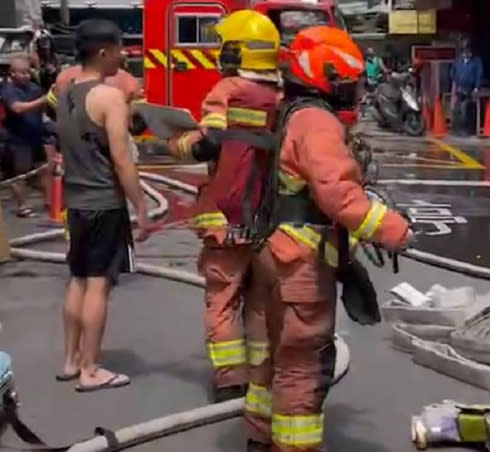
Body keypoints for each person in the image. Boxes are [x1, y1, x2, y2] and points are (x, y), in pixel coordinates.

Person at [245, 26, 413, 451]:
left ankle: (260, 438)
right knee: (303, 366)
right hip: (301, 263)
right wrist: (395, 230)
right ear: (325, 76)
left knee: (274, 359)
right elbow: (338, 195)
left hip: (272, 251)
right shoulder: (317, 121)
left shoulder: (288, 111)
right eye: (345, 81)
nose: (351, 91)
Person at [167, 9, 281, 407]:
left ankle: (231, 380)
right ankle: (261, 374)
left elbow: (207, 141)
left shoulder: (228, 89)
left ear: (235, 51)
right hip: (268, 219)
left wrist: (176, 141)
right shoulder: (283, 97)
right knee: (262, 301)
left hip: (224, 215)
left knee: (223, 297)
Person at [55, 18, 152, 392]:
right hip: (103, 203)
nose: (122, 56)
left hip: (76, 202)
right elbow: (122, 160)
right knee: (98, 284)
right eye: (118, 49)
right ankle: (91, 369)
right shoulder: (109, 97)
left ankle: (70, 360)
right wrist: (140, 207)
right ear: (102, 51)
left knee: (77, 279)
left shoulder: (64, 90)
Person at [0, 55, 52, 217]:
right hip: (18, 139)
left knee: (43, 169)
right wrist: (42, 100)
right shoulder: (8, 91)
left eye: (28, 72)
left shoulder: (34, 88)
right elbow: (17, 108)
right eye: (22, 73)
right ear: (12, 74)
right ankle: (22, 206)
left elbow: (44, 108)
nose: (26, 76)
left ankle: (50, 201)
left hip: (36, 136)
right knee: (20, 175)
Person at [449, 36, 483, 136]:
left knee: (466, 109)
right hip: (459, 88)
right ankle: (456, 129)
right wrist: (456, 81)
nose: (465, 54)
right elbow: (452, 72)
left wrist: (476, 87)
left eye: (467, 52)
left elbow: (479, 74)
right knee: (457, 109)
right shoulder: (458, 60)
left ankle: (467, 130)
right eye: (464, 52)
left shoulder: (476, 61)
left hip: (470, 89)